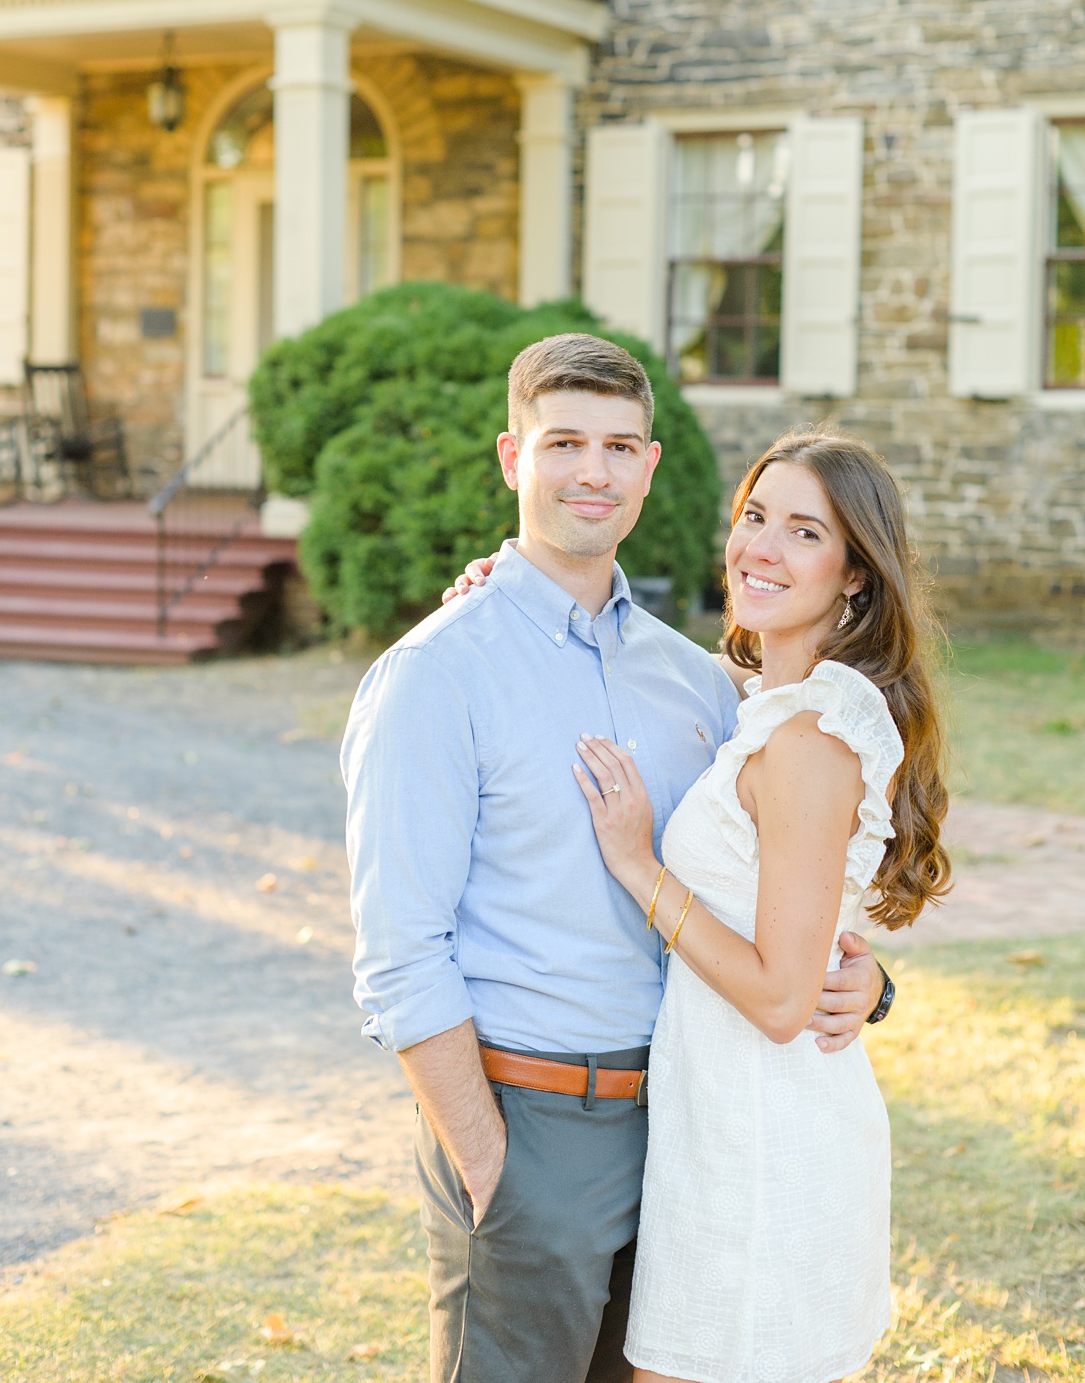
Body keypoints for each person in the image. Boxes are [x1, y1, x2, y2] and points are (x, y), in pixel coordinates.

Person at [342, 334, 889, 1383]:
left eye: (621, 445)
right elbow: (401, 956)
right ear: (514, 458)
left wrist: (862, 978)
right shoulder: (434, 675)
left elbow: (773, 874)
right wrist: (490, 1164)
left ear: (649, 466)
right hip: (532, 1124)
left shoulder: (700, 682)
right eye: (565, 443)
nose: (593, 470)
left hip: (699, 1125)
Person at [573, 427, 950, 1382]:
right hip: (723, 1123)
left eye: (805, 533)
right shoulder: (768, 702)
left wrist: (637, 863)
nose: (762, 549)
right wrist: (509, 587)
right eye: (754, 517)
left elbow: (785, 1002)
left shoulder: (809, 741)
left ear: (856, 576)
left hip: (762, 1144)